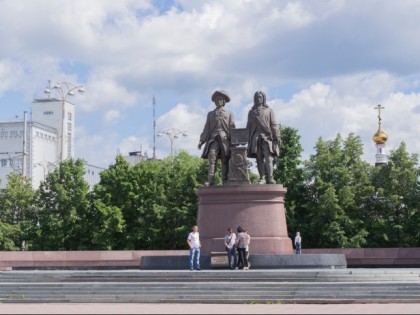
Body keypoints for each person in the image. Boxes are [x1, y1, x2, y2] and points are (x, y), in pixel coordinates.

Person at [198, 90, 235, 186]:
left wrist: (234, 139)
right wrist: (201, 140)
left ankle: (225, 180)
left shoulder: (229, 113)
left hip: (225, 139)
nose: (218, 101)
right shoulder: (210, 114)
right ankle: (210, 180)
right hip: (213, 138)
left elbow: (232, 126)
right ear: (214, 101)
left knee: (225, 159)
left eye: (220, 99)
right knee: (212, 157)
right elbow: (206, 128)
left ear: (224, 101)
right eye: (217, 99)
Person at [246, 90, 280, 184]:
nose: (258, 99)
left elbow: (273, 124)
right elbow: (248, 127)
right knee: (259, 159)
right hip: (255, 138)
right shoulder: (251, 112)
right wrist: (243, 137)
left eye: (260, 97)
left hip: (267, 137)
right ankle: (262, 178)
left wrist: (276, 136)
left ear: (263, 98)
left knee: (268, 158)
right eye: (257, 97)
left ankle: (270, 178)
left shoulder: (269, 111)